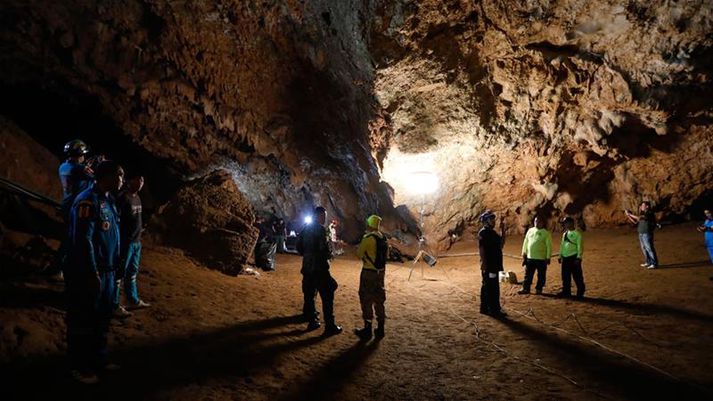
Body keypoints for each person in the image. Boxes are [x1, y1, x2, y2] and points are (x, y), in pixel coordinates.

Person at [65, 160, 123, 384]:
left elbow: (110, 235)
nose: (121, 180)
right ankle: (78, 366)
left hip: (107, 270)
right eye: (118, 175)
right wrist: (91, 271)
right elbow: (83, 239)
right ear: (106, 176)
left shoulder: (108, 200)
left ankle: (98, 359)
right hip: (89, 271)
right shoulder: (87, 201)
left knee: (102, 319)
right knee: (83, 319)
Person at [52, 140, 95, 278]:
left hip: (67, 205)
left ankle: (59, 268)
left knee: (69, 239)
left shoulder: (63, 167)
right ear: (80, 155)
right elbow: (95, 178)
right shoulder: (80, 169)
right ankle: (60, 268)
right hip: (76, 208)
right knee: (75, 241)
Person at [296, 206, 342, 336]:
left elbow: (298, 246)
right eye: (323, 216)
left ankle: (312, 321)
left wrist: (307, 255)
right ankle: (330, 325)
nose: (325, 218)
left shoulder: (305, 228)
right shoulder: (320, 230)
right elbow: (324, 249)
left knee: (309, 295)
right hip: (319, 268)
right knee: (328, 295)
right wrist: (328, 255)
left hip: (307, 267)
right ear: (319, 216)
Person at [113, 174, 150, 316]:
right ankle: (113, 304)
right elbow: (117, 219)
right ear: (130, 180)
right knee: (119, 273)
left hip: (136, 242)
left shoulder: (137, 198)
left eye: (142, 180)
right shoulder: (123, 198)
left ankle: (132, 300)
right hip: (126, 242)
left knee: (132, 272)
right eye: (138, 179)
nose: (140, 183)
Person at [354, 215, 388, 340]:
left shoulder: (367, 238)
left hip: (368, 272)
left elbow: (359, 254)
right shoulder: (384, 239)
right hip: (381, 273)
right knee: (379, 300)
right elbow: (386, 256)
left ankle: (367, 330)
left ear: (369, 225)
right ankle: (381, 329)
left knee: (366, 298)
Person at [478, 210, 507, 317]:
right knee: (491, 287)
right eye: (491, 219)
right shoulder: (484, 233)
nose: (494, 221)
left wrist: (503, 230)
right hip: (489, 265)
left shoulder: (492, 232)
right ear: (485, 221)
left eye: (493, 219)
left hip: (494, 265)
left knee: (490, 286)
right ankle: (493, 309)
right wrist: (485, 265)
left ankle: (486, 308)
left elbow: (501, 244)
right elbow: (484, 250)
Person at [519, 215, 552, 295]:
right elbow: (525, 242)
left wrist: (548, 257)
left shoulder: (546, 233)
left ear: (542, 223)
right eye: (535, 221)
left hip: (541, 258)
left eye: (538, 221)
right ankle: (526, 288)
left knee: (541, 275)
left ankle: (539, 289)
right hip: (530, 257)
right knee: (528, 275)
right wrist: (524, 253)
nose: (536, 223)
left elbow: (549, 246)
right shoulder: (530, 231)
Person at [625, 201, 659, 269]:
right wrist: (628, 216)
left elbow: (639, 218)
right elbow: (635, 222)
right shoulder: (643, 213)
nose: (641, 207)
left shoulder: (649, 213)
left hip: (647, 233)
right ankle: (648, 262)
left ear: (647, 206)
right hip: (641, 233)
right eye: (641, 206)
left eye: (643, 205)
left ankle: (654, 263)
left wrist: (630, 214)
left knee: (649, 248)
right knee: (644, 249)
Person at [557, 217, 585, 298]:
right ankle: (566, 292)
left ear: (572, 223)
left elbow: (580, 246)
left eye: (567, 223)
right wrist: (560, 255)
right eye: (565, 223)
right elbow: (562, 245)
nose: (565, 225)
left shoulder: (577, 234)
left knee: (577, 276)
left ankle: (580, 292)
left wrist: (578, 257)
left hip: (573, 257)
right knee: (565, 276)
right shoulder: (565, 234)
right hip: (565, 258)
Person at [696, 209, 713, 279]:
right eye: (706, 213)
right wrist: (700, 229)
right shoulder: (707, 220)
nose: (707, 215)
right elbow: (704, 229)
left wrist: (705, 228)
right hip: (709, 243)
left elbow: (711, 229)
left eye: (708, 213)